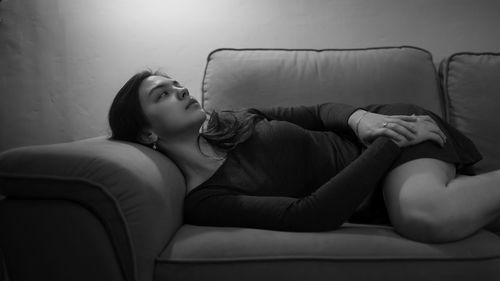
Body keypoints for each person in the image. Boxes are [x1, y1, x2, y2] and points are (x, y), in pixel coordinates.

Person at [108, 69, 500, 244]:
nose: (179, 90)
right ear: (147, 132)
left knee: (422, 215)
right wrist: (391, 145)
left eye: (176, 84)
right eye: (162, 94)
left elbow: (316, 112)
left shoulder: (233, 119)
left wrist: (363, 119)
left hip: (387, 129)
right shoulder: (206, 201)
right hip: (389, 151)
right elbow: (310, 215)